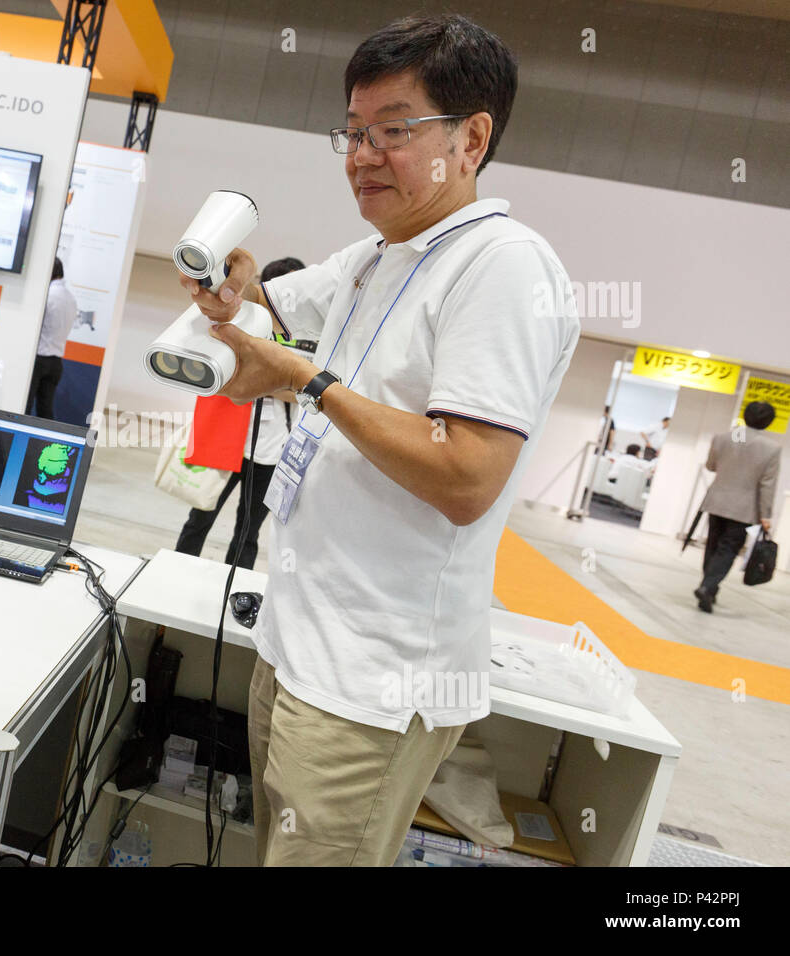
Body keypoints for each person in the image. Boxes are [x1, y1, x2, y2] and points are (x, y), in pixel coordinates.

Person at [179, 14, 579, 866]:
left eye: (393, 131)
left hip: (372, 680)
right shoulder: (381, 253)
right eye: (354, 133)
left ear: (472, 137)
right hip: (296, 645)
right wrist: (234, 288)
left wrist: (302, 380)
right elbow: (274, 309)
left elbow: (468, 474)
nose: (363, 156)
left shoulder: (502, 267)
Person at [174, 257, 307, 569]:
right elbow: (222, 376)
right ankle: (176, 575)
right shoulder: (241, 324)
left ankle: (235, 596)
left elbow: (303, 392)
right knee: (200, 516)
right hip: (229, 439)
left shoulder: (305, 337)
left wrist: (265, 381)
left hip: (272, 449)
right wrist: (280, 380)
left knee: (249, 531)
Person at [694, 401, 780, 613]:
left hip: (716, 501)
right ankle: (707, 586)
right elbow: (767, 484)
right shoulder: (771, 448)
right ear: (768, 422)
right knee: (728, 549)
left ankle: (709, 588)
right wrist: (766, 515)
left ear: (745, 415)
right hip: (744, 508)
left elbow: (711, 466)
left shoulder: (725, 437)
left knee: (712, 546)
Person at [25, 257, 76, 421]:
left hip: (39, 359)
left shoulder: (48, 296)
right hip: (56, 363)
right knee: (45, 412)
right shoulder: (71, 298)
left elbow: (34, 325)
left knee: (23, 407)